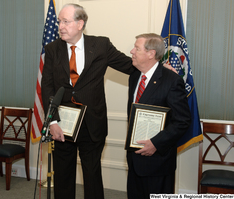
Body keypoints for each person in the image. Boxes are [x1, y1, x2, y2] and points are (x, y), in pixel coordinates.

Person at [41, 3, 136, 199]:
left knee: (92, 176)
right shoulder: (52, 49)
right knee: (64, 176)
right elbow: (47, 87)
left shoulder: (101, 45)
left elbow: (129, 66)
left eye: (66, 21)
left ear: (80, 24)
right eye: (59, 21)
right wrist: (52, 121)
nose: (60, 26)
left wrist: (159, 69)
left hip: (92, 123)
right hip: (62, 125)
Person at [126, 33, 191, 199]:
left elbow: (182, 121)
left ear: (151, 53)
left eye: (137, 48)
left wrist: (156, 143)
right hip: (134, 159)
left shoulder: (171, 80)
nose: (132, 51)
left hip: (158, 162)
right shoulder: (134, 76)